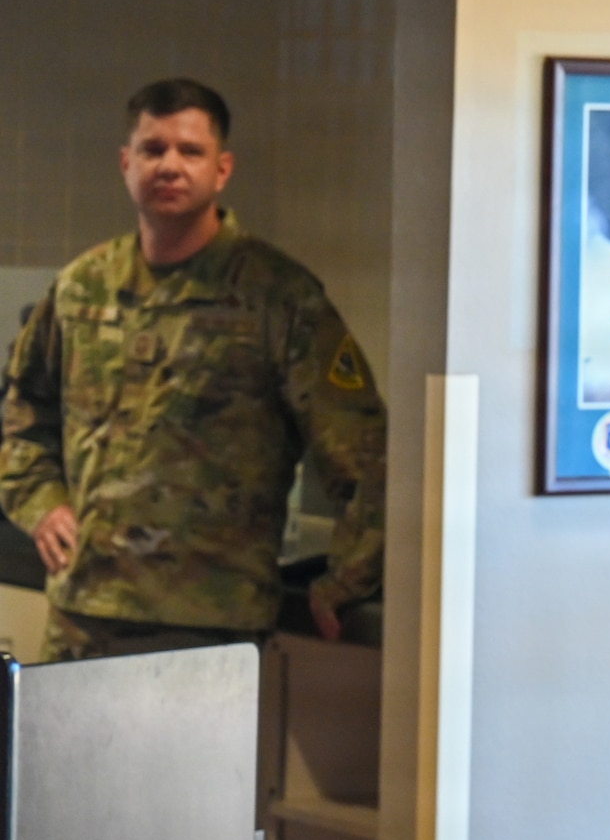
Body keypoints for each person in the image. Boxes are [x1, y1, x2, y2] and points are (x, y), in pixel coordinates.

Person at [0, 78, 386, 662]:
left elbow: (362, 451)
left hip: (213, 622)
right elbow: (24, 411)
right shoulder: (81, 289)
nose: (170, 166)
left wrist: (347, 580)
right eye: (153, 149)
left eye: (190, 151)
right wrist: (42, 503)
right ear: (126, 163)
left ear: (222, 169)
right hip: (86, 610)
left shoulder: (277, 296)